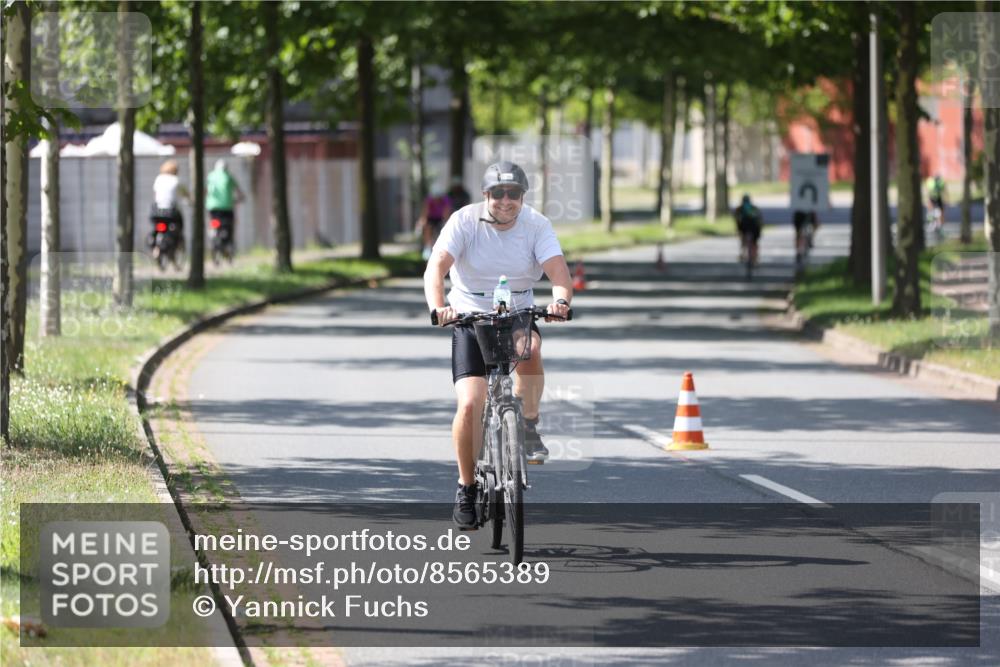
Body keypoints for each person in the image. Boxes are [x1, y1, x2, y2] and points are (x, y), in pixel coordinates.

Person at [423, 161, 572, 528]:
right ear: (486, 195)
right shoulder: (464, 222)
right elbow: (436, 267)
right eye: (498, 194)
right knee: (472, 403)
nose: (506, 201)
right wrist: (439, 307)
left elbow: (558, 272)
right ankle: (466, 486)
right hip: (470, 317)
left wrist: (561, 302)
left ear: (522, 197)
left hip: (517, 312)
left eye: (514, 194)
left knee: (532, 349)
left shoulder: (536, 224)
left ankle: (530, 425)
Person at [150, 159, 189, 248]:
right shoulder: (176, 180)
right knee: (179, 226)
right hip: (171, 211)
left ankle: (155, 246)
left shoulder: (158, 179)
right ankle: (176, 245)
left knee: (156, 226)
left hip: (157, 211)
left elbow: (155, 195)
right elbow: (185, 194)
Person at [206, 158, 245, 239]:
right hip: (228, 207)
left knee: (214, 221)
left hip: (213, 207)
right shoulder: (229, 177)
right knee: (230, 223)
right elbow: (240, 193)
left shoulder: (210, 176)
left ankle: (213, 231)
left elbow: (205, 191)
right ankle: (229, 242)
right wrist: (237, 200)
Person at [418, 188, 452, 260]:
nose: (436, 200)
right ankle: (427, 247)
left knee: (444, 230)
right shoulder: (429, 199)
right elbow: (425, 211)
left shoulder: (445, 200)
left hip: (440, 217)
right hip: (431, 217)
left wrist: (446, 222)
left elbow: (446, 211)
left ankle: (443, 247)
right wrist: (423, 221)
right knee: (427, 228)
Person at [734, 194, 762, 265]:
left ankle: (744, 254)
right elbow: (760, 220)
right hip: (753, 228)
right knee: (754, 243)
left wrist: (738, 230)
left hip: (746, 228)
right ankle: (754, 257)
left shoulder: (739, 209)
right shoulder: (754, 208)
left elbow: (737, 220)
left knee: (745, 241)